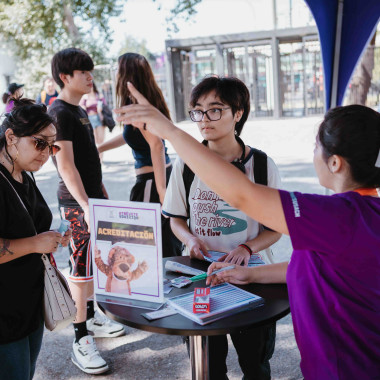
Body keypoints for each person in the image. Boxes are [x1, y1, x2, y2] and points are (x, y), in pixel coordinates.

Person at [116, 84, 380, 380]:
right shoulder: (365, 213)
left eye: (316, 147)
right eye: (199, 112)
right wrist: (251, 274)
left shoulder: (334, 216)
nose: (313, 154)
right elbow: (314, 266)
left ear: (335, 162)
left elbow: (243, 195)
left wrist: (170, 132)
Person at [161, 76, 281, 380]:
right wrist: (189, 239)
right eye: (198, 111)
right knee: (208, 367)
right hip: (202, 278)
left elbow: (276, 228)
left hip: (254, 278)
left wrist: (246, 248)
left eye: (215, 110)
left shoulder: (263, 165)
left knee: (255, 365)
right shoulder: (186, 163)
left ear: (238, 113)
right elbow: (175, 218)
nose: (204, 120)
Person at [48, 47, 125, 375]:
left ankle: (91, 318)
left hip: (92, 200)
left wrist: (101, 197)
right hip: (78, 205)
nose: (90, 77)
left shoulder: (77, 109)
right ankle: (80, 340)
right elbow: (65, 165)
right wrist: (86, 206)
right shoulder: (59, 112)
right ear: (66, 77)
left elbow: (88, 160)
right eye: (84, 72)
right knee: (80, 270)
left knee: (93, 264)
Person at [0, 98, 71, 380]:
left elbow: (31, 227)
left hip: (30, 305)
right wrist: (33, 244)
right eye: (40, 143)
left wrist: (53, 238)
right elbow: (28, 240)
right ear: (10, 137)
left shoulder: (23, 172)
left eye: (52, 146)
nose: (47, 153)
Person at [97, 52, 181, 257]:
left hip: (152, 182)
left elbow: (156, 145)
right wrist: (99, 148)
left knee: (149, 246)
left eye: (118, 69)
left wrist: (161, 191)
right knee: (157, 242)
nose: (116, 74)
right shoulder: (145, 101)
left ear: (127, 74)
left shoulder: (139, 105)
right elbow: (133, 136)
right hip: (157, 178)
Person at [80, 82, 106, 154]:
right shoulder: (85, 97)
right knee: (93, 140)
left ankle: (101, 160)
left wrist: (100, 108)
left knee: (101, 140)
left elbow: (105, 105)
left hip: (99, 118)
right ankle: (96, 158)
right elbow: (81, 110)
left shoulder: (99, 95)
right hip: (89, 119)